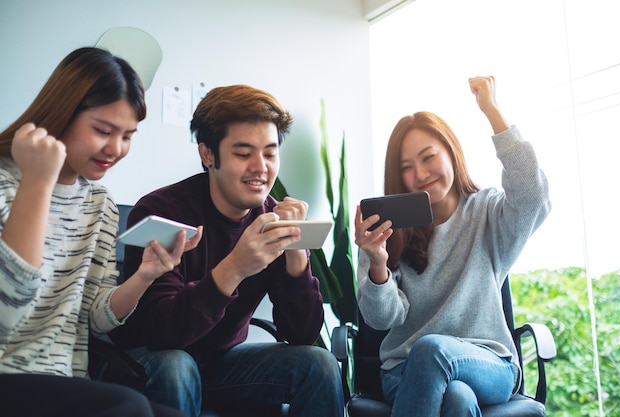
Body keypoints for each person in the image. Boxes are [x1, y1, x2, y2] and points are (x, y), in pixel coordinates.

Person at [109, 84, 345, 417]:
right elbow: (163, 333)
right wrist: (235, 267)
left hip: (224, 364)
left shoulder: (272, 217)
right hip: (153, 360)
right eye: (243, 153)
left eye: (270, 152)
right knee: (177, 365)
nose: (260, 167)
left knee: (318, 363)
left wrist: (296, 255)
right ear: (208, 154)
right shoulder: (161, 211)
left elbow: (302, 334)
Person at [0, 47, 202, 417]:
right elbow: (7, 314)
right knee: (130, 406)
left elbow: (95, 318)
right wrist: (39, 181)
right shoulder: (7, 185)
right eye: (103, 131)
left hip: (65, 379)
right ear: (61, 115)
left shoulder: (100, 203)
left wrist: (145, 275)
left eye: (127, 135)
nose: (116, 149)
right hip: (8, 375)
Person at [354, 76, 551, 417]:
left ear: (451, 151)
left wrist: (492, 111)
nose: (420, 173)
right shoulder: (387, 231)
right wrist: (377, 265)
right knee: (457, 399)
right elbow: (382, 319)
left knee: (433, 351)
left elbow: (532, 196)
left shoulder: (488, 212)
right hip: (404, 370)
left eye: (429, 157)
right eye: (407, 168)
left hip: (489, 364)